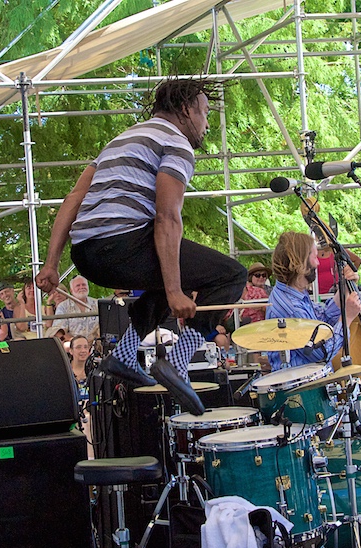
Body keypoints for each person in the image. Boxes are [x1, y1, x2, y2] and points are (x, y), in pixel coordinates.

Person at [36, 78, 247, 415]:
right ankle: (179, 361)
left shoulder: (120, 141)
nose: (207, 124)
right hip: (122, 245)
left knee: (169, 270)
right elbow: (167, 217)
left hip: (85, 253)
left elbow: (74, 198)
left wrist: (51, 264)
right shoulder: (175, 143)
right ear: (186, 109)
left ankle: (123, 354)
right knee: (231, 274)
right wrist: (176, 291)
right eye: (205, 113)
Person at [266, 231, 361, 370]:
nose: (318, 263)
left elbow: (321, 321)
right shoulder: (291, 308)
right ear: (300, 262)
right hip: (303, 388)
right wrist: (346, 318)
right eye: (314, 257)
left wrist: (344, 288)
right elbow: (321, 354)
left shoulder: (293, 293)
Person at [52, 276, 99, 341]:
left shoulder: (97, 304)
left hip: (96, 345)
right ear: (71, 290)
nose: (81, 287)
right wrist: (74, 342)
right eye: (78, 285)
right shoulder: (63, 306)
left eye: (84, 284)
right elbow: (58, 332)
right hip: (72, 346)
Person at [69, 336, 94, 457]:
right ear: (71, 351)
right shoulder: (67, 371)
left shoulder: (94, 372)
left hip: (91, 408)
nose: (83, 350)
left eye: (85, 347)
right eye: (78, 347)